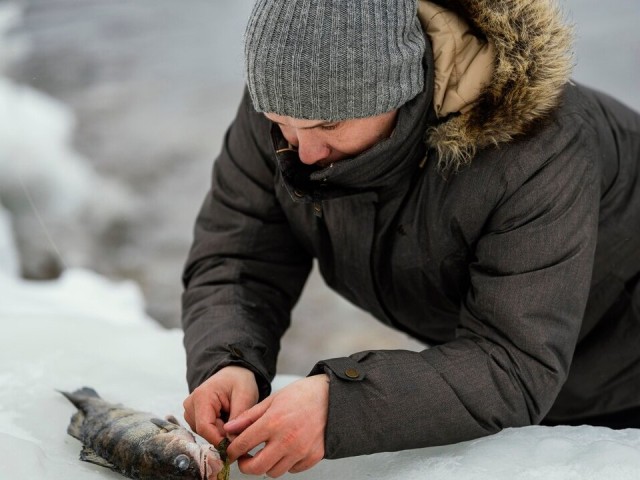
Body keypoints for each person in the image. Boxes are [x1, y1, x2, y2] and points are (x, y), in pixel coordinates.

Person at [181, 0, 640, 477]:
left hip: (621, 378)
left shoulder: (540, 147)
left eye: (328, 126)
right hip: (523, 374)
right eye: (281, 122)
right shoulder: (290, 109)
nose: (305, 152)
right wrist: (229, 360)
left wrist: (341, 406)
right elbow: (238, 255)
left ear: (397, 92)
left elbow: (515, 361)